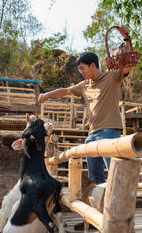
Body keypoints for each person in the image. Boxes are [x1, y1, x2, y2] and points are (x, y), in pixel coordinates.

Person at [38, 51, 133, 184]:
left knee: (115, 172)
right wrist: (47, 94)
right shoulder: (84, 85)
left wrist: (127, 39)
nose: (81, 72)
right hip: (92, 134)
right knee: (94, 177)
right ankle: (99, 202)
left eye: (83, 68)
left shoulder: (111, 77)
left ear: (93, 65)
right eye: (79, 69)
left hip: (109, 132)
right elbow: (65, 91)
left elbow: (129, 64)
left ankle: (121, 201)